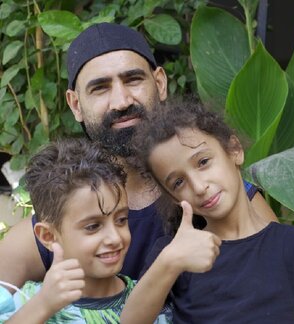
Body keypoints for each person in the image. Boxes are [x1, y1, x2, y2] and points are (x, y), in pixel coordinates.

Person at [0, 23, 277, 289]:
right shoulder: (65, 213)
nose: (121, 101)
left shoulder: (217, 192)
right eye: (101, 88)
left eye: (133, 79)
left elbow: (284, 283)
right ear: (75, 105)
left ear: (159, 83)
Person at [120, 98, 294, 324]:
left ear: (234, 150)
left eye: (203, 162)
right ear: (173, 198)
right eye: (178, 183)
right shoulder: (173, 253)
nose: (198, 187)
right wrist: (170, 260)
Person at [0, 137, 172, 323]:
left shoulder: (151, 302)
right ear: (48, 236)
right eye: (93, 227)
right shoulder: (27, 302)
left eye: (121, 220)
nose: (114, 238)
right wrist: (43, 305)